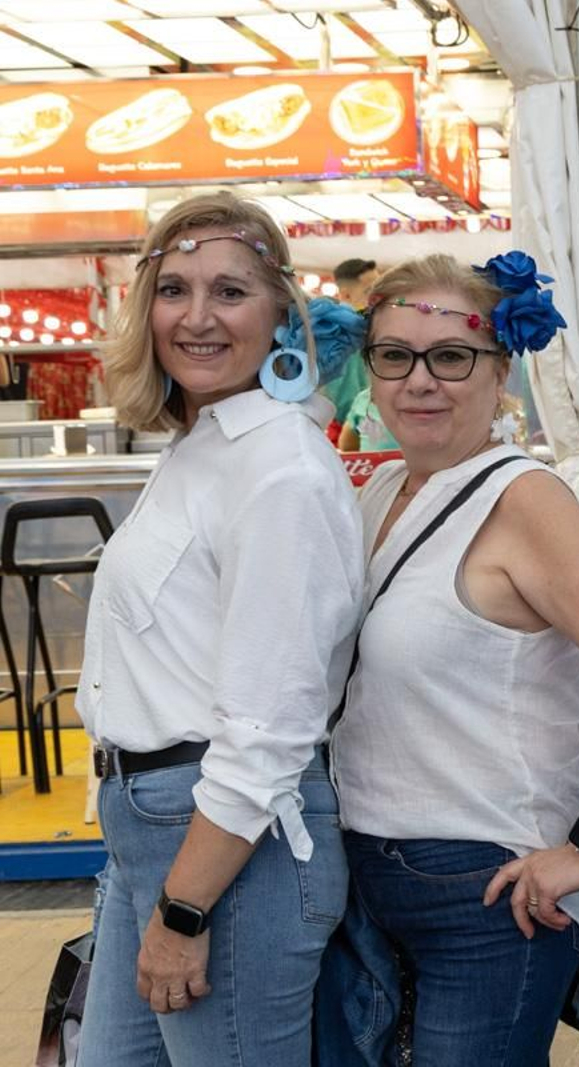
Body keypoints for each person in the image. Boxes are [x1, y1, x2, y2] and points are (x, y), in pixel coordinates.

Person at [316, 252, 579, 1064]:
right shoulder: (373, 495)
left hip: (492, 890)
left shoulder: (525, 499)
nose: (421, 380)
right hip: (364, 876)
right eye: (396, 356)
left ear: (499, 370)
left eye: (451, 357)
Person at [77, 191, 365, 1065]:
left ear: (281, 309)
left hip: (230, 851)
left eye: (230, 292)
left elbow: (269, 727)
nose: (197, 317)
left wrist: (185, 907)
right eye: (175, 290)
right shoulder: (205, 444)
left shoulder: (279, 468)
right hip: (154, 834)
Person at [322, 258, 381, 435]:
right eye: (369, 291)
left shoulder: (372, 328)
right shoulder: (339, 333)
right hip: (350, 428)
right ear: (346, 295)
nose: (378, 297)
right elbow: (343, 399)